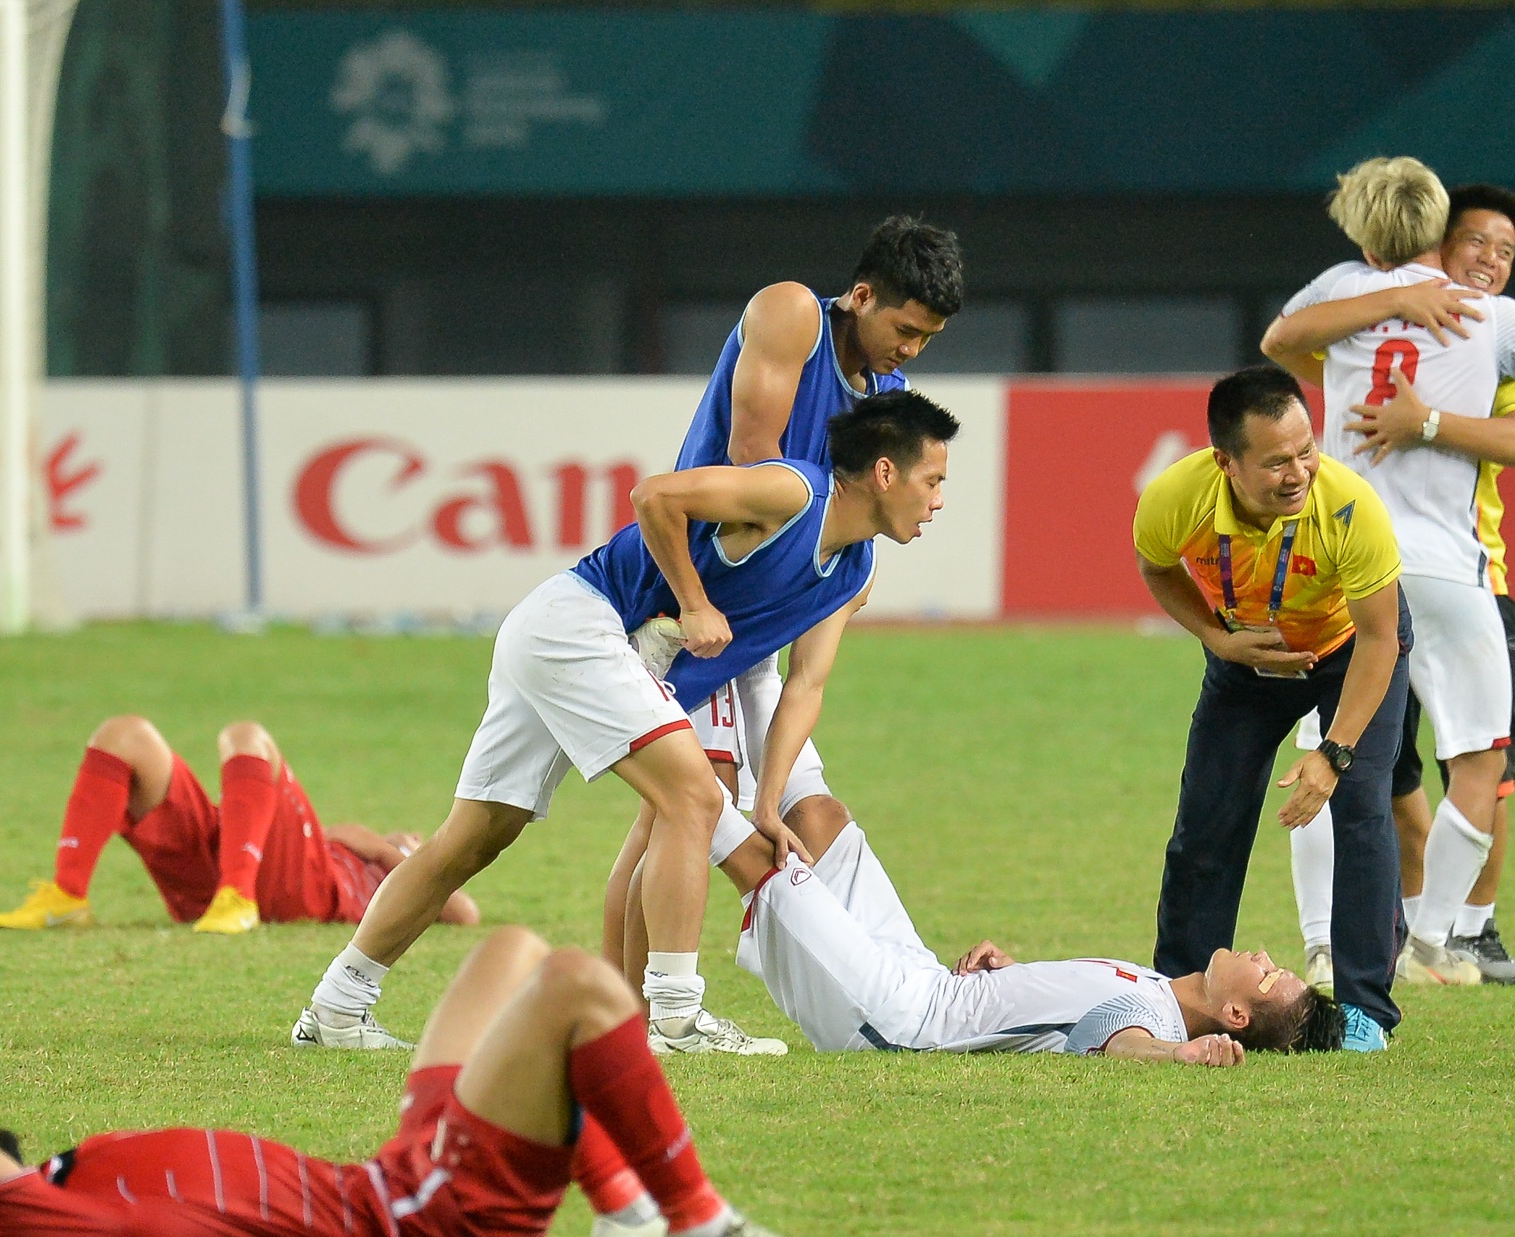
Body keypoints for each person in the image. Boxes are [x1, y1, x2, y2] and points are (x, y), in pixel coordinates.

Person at [294, 391, 956, 1052]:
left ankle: (336, 1007)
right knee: (693, 799)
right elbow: (655, 496)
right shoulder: (794, 494)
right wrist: (694, 603)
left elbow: (805, 685)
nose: (938, 502)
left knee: (474, 837)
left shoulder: (855, 571)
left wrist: (769, 803)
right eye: (932, 481)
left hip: (556, 634)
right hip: (580, 625)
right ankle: (674, 1018)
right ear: (884, 472)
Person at [0, 929, 844, 1237]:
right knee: (579, 985)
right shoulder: (40, 1228)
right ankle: (698, 1224)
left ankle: (622, 1212)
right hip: (435, 1217)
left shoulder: (50, 1191)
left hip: (395, 1178)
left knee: (512, 953)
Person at [602, 216, 965, 1050]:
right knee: (684, 810)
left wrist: (834, 584)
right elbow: (752, 469)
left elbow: (841, 549)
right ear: (861, 295)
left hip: (761, 630)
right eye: (905, 328)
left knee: (787, 812)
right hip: (704, 607)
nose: (911, 349)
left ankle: (624, 1021)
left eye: (928, 338)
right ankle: (632, 1023)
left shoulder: (883, 397)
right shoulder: (792, 314)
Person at [1281, 184, 1515, 989]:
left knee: (1344, 750)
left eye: (1506, 250)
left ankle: (1447, 930)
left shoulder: (1356, 302)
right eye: (1476, 243)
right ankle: (1418, 935)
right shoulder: (1496, 322)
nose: (1489, 261)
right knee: (1445, 762)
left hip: (1386, 564)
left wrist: (1422, 419)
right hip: (1441, 570)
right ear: (1438, 239)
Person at [1134, 366, 1409, 1052]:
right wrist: (1218, 638)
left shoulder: (1350, 507)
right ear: (1225, 462)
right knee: (1208, 821)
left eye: (1306, 450)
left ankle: (1365, 1011)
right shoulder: (1175, 498)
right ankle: (1178, 994)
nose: (1299, 473)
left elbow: (1382, 638)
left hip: (1349, 651)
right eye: (1277, 461)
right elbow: (1157, 568)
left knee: (1362, 809)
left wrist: (1333, 752)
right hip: (1247, 657)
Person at [712, 797, 1343, 1059]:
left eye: (1269, 975)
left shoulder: (1158, 1024)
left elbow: (1108, 1042)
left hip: (898, 1020)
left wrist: (1177, 1055)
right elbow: (1068, 1015)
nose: (1263, 954)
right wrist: (1012, 980)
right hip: (928, 978)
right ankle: (738, 676)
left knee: (760, 859)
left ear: (1235, 1015)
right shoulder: (1160, 988)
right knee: (818, 816)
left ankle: (663, 724)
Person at [0, 716, 478, 937]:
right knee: (124, 733)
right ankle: (67, 896)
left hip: (301, 896)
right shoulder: (342, 845)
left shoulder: (393, 874)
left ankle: (238, 898)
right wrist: (375, 843)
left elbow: (465, 915)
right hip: (221, 874)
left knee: (247, 735)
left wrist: (390, 851)